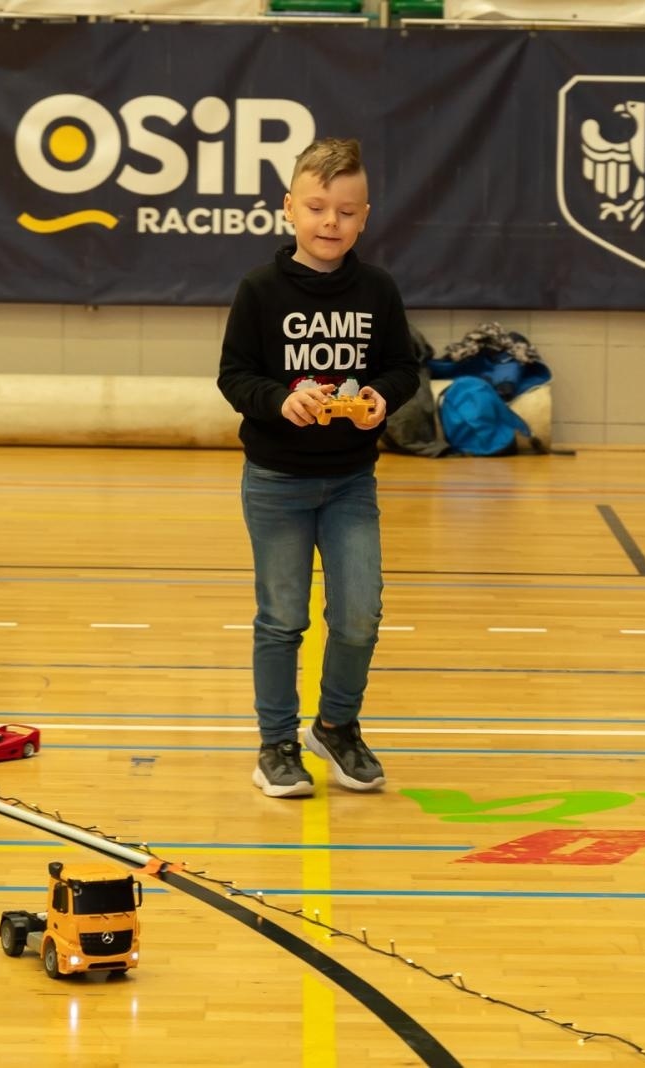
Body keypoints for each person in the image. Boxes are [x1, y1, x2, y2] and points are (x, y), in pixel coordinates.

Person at [216, 136, 420, 799]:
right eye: (317, 208)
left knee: (360, 614)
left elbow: (403, 367)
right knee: (282, 619)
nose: (331, 222)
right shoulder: (259, 290)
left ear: (365, 217)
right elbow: (234, 376)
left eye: (346, 211)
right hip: (276, 482)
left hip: (351, 483)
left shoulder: (378, 290)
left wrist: (381, 397)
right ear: (288, 209)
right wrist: (281, 399)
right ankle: (276, 744)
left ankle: (336, 727)